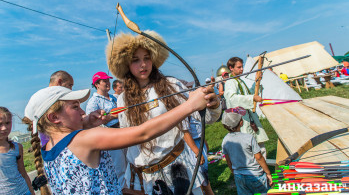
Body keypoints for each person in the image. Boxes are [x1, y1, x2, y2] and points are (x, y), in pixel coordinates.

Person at [22, 85, 215, 194]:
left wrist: (86, 122)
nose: (82, 111)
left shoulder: (47, 146)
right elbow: (142, 133)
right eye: (75, 107)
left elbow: (67, 138)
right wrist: (189, 106)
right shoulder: (85, 139)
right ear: (54, 118)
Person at [106, 31, 221, 194]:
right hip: (148, 178)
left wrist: (212, 104)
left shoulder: (170, 85)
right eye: (135, 60)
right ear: (126, 65)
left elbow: (204, 117)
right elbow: (129, 139)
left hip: (179, 167)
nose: (143, 64)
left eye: (147, 58)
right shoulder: (123, 99)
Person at [223, 57, 269, 158]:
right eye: (239, 67)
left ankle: (262, 168)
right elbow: (232, 99)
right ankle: (255, 169)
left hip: (249, 117)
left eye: (242, 66)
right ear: (231, 68)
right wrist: (252, 97)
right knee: (249, 147)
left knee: (259, 146)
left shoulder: (239, 81)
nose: (242, 69)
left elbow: (248, 94)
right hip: (242, 119)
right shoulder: (231, 82)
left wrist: (257, 82)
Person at [221, 109, 272, 195]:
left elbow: (228, 160)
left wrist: (234, 172)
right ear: (241, 123)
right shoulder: (249, 138)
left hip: (239, 176)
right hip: (255, 175)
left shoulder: (225, 140)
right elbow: (259, 157)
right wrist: (268, 172)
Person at [0, 107, 35, 195]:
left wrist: (31, 191)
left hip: (24, 191)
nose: (4, 128)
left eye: (7, 123)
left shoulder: (17, 147)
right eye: (0, 124)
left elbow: (23, 173)